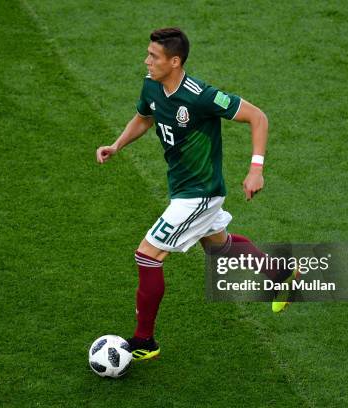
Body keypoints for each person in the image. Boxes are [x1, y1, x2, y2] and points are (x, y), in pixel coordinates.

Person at [96, 27, 297, 361]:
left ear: (174, 61)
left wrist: (256, 168)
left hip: (199, 192)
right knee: (218, 245)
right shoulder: (152, 84)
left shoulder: (201, 95)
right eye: (147, 54)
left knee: (147, 254)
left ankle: (144, 340)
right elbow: (145, 117)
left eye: (154, 56)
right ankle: (280, 273)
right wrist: (117, 145)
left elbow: (257, 117)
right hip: (183, 189)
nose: (147, 61)